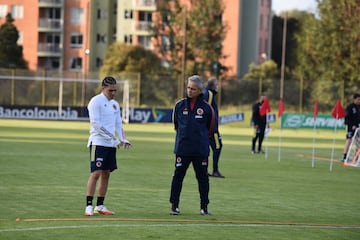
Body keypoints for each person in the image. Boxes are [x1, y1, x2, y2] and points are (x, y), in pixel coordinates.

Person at [84, 76, 131, 216]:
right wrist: (114, 140)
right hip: (98, 143)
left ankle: (100, 205)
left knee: (106, 174)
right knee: (96, 173)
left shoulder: (115, 104)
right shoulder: (95, 102)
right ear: (103, 88)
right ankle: (88, 206)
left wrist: (123, 139)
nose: (113, 93)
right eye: (111, 90)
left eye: (115, 91)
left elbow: (118, 124)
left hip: (111, 145)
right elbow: (96, 125)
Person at [169, 75, 216, 216]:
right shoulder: (179, 105)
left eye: (193, 89)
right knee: (178, 176)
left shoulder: (207, 108)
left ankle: (204, 207)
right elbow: (177, 126)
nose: (189, 91)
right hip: (182, 149)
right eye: (188, 88)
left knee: (202, 178)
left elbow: (211, 128)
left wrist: (199, 138)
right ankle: (174, 206)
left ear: (200, 90)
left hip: (200, 150)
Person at [203, 77, 224, 178]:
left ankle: (205, 170)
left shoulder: (208, 93)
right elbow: (206, 109)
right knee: (218, 146)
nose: (218, 87)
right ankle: (214, 170)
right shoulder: (209, 94)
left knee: (207, 148)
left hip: (209, 128)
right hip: (212, 129)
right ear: (213, 86)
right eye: (217, 85)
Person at [342, 93, 360, 162]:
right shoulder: (350, 107)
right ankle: (345, 156)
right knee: (349, 140)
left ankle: (356, 157)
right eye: (358, 99)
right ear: (354, 99)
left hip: (358, 128)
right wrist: (351, 125)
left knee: (358, 142)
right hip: (351, 128)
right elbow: (346, 118)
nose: (359, 101)